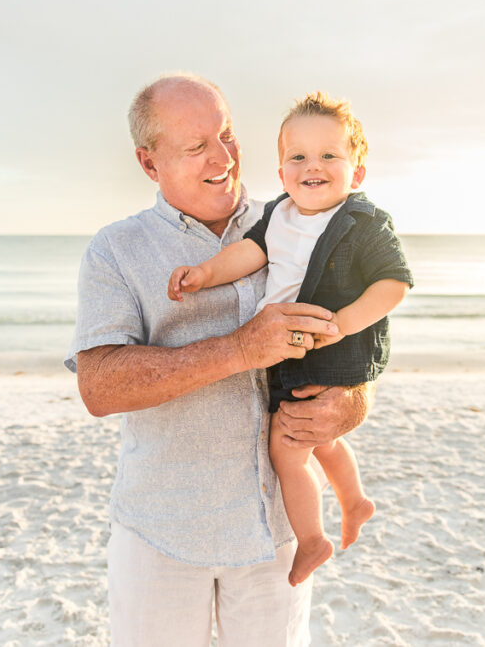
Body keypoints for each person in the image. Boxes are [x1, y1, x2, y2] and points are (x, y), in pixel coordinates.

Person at [65, 73, 373, 646]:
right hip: (161, 533)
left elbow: (362, 333)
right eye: (196, 146)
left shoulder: (301, 220)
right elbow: (99, 386)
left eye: (227, 134)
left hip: (276, 535)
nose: (223, 156)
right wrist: (238, 349)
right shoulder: (116, 250)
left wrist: (351, 403)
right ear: (149, 163)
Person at [167, 93, 413, 586]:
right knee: (317, 437)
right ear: (281, 173)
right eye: (297, 157)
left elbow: (394, 283)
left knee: (288, 446)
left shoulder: (364, 222)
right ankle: (354, 500)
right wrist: (206, 273)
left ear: (357, 173)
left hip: (332, 349)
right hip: (286, 352)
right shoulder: (279, 215)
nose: (312, 167)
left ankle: (312, 540)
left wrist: (343, 324)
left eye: (328, 156)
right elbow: (249, 253)